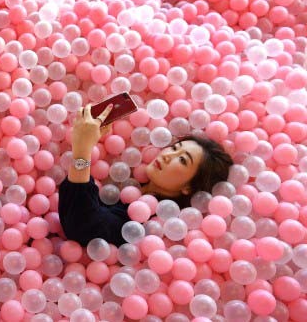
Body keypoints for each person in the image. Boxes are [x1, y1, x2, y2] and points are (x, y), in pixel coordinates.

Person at [58, 104, 232, 246]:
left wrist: (82, 149)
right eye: (173, 148)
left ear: (189, 187)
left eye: (182, 160)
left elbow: (83, 225)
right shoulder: (129, 185)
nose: (167, 155)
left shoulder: (149, 224)